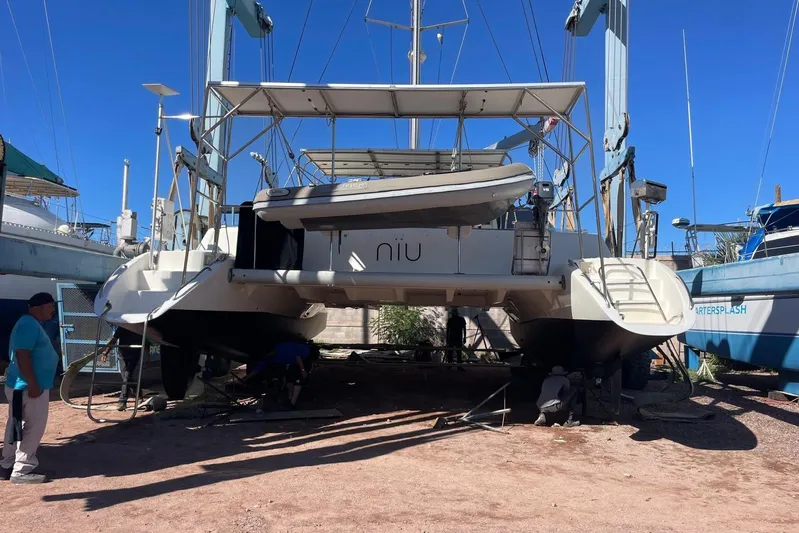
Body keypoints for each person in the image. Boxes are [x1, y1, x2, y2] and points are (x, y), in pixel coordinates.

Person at [1, 292, 59, 484]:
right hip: (29, 388)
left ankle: (7, 465)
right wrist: (33, 383)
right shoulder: (28, 324)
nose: (53, 311)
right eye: (51, 307)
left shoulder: (28, 323)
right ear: (41, 307)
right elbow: (22, 355)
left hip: (23, 386)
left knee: (16, 425)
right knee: (32, 428)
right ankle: (22, 470)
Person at [247, 340, 319, 409]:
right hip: (294, 362)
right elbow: (258, 369)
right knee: (289, 378)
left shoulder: (281, 347)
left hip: (304, 356)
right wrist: (245, 379)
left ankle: (292, 403)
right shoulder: (270, 358)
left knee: (299, 379)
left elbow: (297, 355)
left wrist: (302, 369)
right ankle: (289, 399)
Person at [100, 326, 149, 411]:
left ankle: (122, 401)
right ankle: (140, 396)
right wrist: (106, 352)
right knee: (126, 378)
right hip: (122, 355)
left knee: (127, 376)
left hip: (134, 355)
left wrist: (148, 356)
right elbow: (114, 339)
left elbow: (146, 341)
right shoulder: (123, 326)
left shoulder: (140, 327)